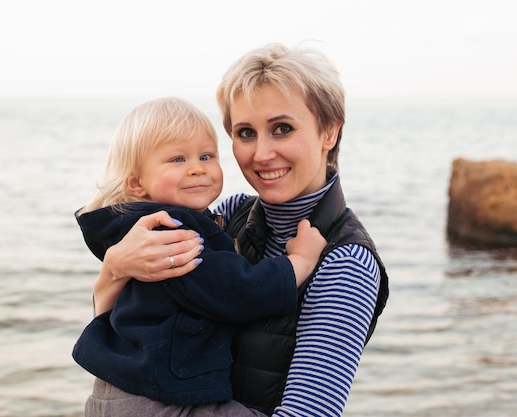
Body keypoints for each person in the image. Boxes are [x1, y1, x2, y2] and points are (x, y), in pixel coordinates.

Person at [91, 43, 390, 417]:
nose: (261, 154)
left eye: (282, 129)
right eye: (246, 133)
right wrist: (115, 266)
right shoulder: (229, 215)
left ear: (329, 131)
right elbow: (131, 326)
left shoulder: (346, 262)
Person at [73, 96, 327, 416]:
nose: (196, 168)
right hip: (161, 400)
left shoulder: (150, 225)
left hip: (128, 389)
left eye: (206, 155)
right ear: (137, 183)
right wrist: (301, 261)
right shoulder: (173, 230)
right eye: (178, 159)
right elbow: (237, 291)